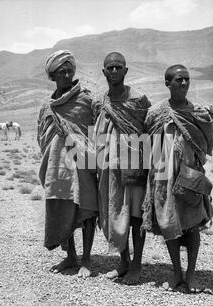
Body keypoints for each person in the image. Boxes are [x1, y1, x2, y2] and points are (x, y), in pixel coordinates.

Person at [142, 64, 213, 293]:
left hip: (190, 175)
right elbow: (148, 144)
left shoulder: (197, 113)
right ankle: (176, 272)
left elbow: (206, 145)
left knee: (192, 225)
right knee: (169, 223)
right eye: (178, 80)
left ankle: (191, 274)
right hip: (163, 177)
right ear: (167, 83)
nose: (184, 83)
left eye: (186, 79)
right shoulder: (155, 112)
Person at [37, 50, 98, 278]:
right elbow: (42, 134)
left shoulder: (86, 99)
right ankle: (71, 256)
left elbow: (96, 130)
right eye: (60, 71)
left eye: (68, 70)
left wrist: (94, 158)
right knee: (65, 207)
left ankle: (87, 259)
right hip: (57, 164)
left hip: (82, 161)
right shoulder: (48, 106)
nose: (65, 74)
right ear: (52, 76)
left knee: (88, 208)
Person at [93, 52, 151, 284]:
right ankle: (124, 261)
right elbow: (95, 131)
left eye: (119, 67)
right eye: (110, 67)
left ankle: (136, 266)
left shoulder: (138, 100)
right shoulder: (99, 102)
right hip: (107, 167)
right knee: (113, 212)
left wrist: (147, 166)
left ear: (126, 71)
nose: (114, 71)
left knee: (135, 216)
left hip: (133, 166)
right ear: (104, 71)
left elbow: (147, 132)